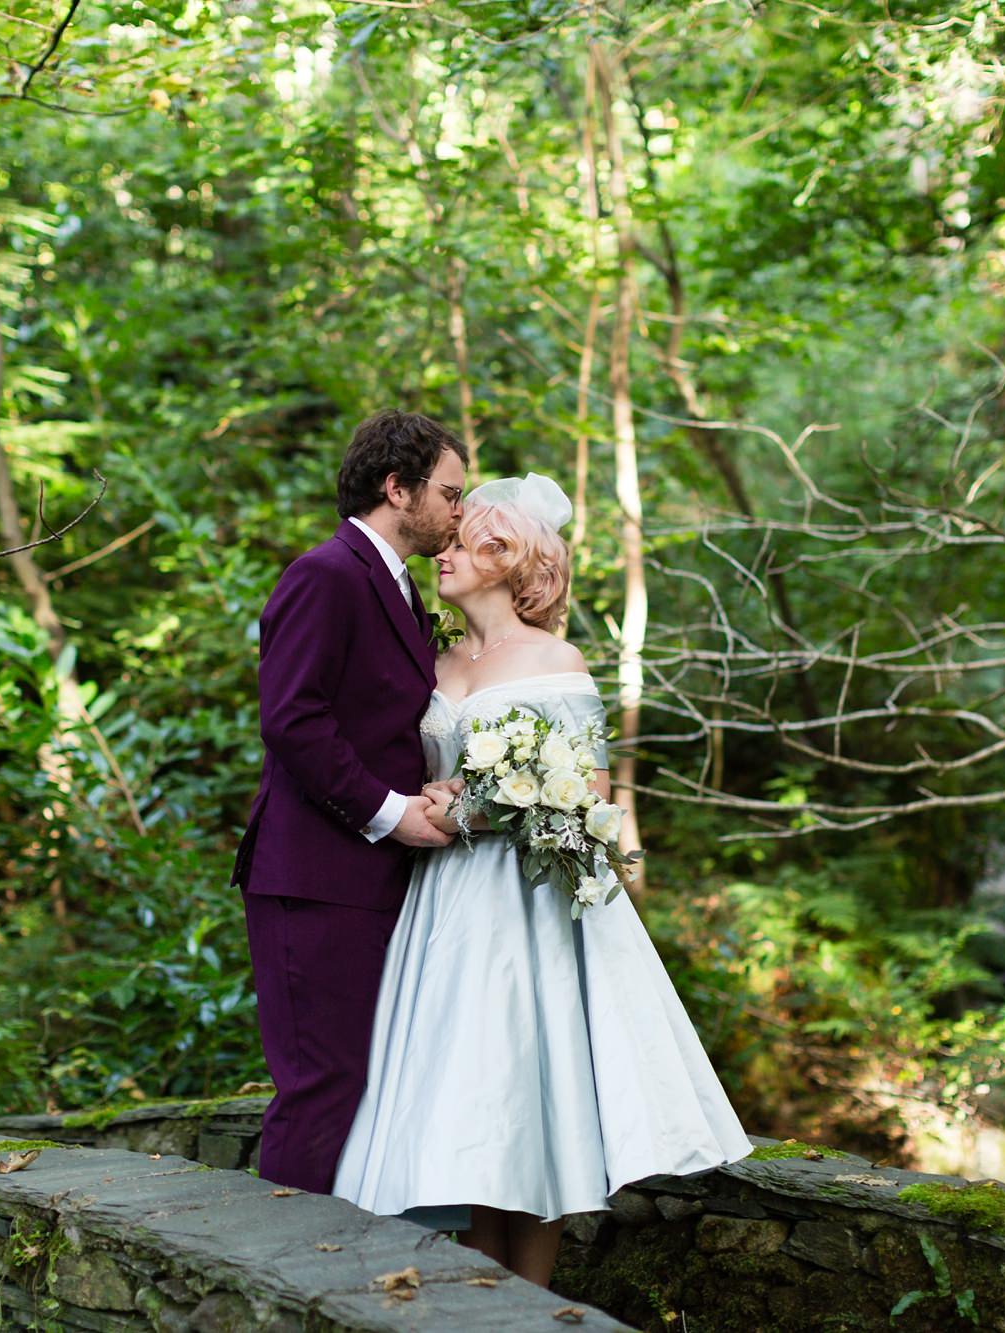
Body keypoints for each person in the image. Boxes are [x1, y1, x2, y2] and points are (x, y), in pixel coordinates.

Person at [331, 473, 752, 1287]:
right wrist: (438, 796)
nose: (442, 553)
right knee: (470, 1101)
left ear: (506, 555)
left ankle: (534, 1301)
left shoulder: (555, 659)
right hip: (447, 908)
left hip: (528, 902)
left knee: (533, 1095)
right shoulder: (438, 660)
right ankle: (478, 1300)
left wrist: (478, 806)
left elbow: (587, 792)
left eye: (458, 543)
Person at [232, 410, 468, 1195]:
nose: (458, 511)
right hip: (315, 878)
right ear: (396, 488)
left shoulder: (397, 590)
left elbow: (383, 724)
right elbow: (292, 717)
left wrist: (433, 788)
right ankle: (281, 1286)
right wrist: (393, 811)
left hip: (366, 882)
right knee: (323, 1088)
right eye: (449, 492)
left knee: (362, 1085)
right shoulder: (325, 574)